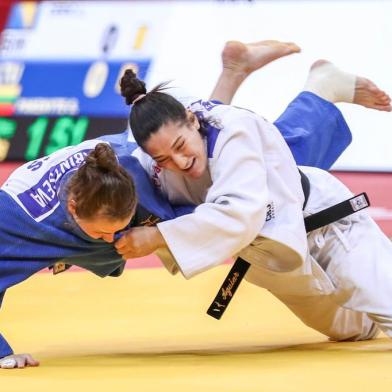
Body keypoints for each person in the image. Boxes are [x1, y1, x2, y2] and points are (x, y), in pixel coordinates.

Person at [116, 46, 392, 345]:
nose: (180, 162)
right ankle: (305, 85)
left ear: (192, 120)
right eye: (165, 158)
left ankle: (320, 87)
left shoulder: (235, 130)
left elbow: (239, 214)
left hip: (325, 223)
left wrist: (157, 237)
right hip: (271, 258)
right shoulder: (150, 161)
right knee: (356, 330)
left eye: (181, 146)